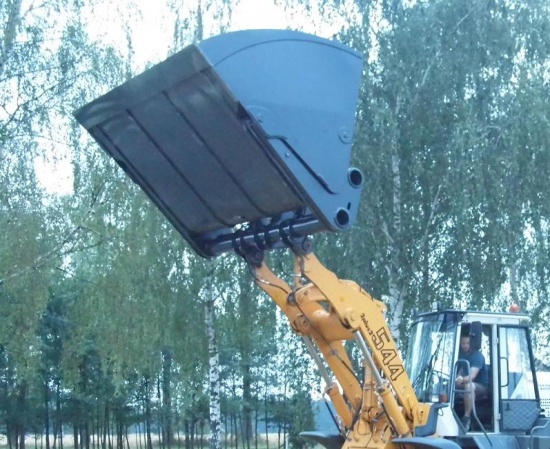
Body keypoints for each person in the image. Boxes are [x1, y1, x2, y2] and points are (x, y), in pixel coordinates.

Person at [455, 334, 489, 431]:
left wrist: (462, 380)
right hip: (468, 383)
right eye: (463, 343)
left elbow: (472, 376)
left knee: (469, 386)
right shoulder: (462, 355)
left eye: (467, 343)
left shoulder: (477, 356)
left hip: (482, 386)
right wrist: (455, 380)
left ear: (472, 344)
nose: (465, 345)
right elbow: (462, 370)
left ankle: (466, 418)